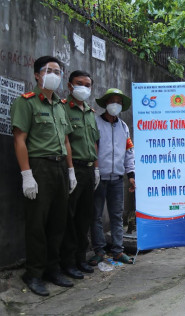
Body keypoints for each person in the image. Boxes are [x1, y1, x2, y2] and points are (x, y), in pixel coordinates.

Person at [11, 56, 77, 296]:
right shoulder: (26, 103)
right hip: (39, 167)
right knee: (37, 223)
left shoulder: (60, 106)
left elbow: (67, 141)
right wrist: (26, 174)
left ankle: (52, 268)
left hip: (60, 168)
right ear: (37, 75)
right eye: (49, 70)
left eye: (58, 71)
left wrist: (70, 171)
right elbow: (19, 139)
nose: (54, 75)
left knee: (58, 222)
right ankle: (34, 273)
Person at [59, 71, 100, 279]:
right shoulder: (63, 108)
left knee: (85, 216)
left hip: (89, 169)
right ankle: (67, 262)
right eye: (79, 84)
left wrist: (97, 168)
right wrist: (70, 170)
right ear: (69, 86)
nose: (83, 88)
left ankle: (80, 258)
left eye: (87, 84)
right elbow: (65, 141)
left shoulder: (90, 112)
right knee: (70, 217)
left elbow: (94, 142)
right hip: (73, 167)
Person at [89, 88, 135, 265]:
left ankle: (117, 251)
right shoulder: (95, 123)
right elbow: (92, 148)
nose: (115, 104)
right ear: (106, 103)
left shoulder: (124, 127)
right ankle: (99, 251)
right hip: (99, 178)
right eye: (112, 101)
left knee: (117, 216)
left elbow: (129, 152)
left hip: (117, 179)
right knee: (96, 216)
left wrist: (131, 174)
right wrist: (95, 170)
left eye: (119, 102)